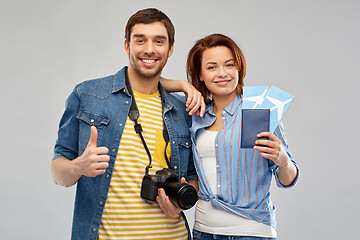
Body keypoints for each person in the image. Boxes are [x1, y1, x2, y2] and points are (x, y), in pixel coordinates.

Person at [50, 8, 203, 240]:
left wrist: (180, 205)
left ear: (170, 49)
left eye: (158, 41)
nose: (149, 49)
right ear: (127, 46)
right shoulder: (88, 95)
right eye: (140, 40)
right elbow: (57, 171)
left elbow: (193, 177)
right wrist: (77, 167)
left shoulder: (183, 110)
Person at [186, 34, 299, 240]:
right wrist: (183, 86)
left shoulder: (258, 110)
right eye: (211, 67)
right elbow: (154, 85)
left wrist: (282, 159)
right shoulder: (196, 115)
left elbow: (288, 180)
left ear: (239, 68)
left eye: (229, 65)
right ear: (200, 74)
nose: (222, 73)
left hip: (251, 232)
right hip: (203, 231)